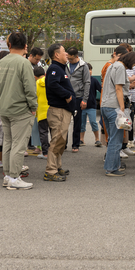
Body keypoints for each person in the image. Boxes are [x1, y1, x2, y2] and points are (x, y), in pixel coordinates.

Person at [0, 32, 38, 190]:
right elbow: (29, 88)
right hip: (20, 109)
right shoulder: (24, 63)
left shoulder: (1, 62)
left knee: (8, 142)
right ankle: (14, 177)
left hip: (5, 107)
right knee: (19, 145)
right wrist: (33, 107)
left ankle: (8, 176)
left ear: (10, 44)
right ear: (26, 46)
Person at [44, 43, 76, 181]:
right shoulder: (55, 69)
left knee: (61, 141)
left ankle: (57, 167)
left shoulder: (60, 68)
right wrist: (67, 95)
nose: (67, 54)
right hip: (58, 111)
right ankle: (50, 171)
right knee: (57, 140)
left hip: (63, 111)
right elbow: (52, 84)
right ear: (56, 55)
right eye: (64, 52)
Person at [101, 46, 131, 176]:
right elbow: (119, 88)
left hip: (105, 105)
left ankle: (114, 165)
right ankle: (111, 168)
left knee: (113, 138)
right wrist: (122, 107)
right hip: (114, 106)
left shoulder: (111, 65)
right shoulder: (119, 67)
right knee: (116, 139)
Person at [67, 47, 90, 152]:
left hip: (78, 97)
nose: (69, 60)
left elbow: (87, 82)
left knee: (77, 122)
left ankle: (75, 144)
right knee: (64, 122)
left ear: (77, 56)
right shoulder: (65, 65)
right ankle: (63, 144)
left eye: (71, 59)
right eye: (68, 58)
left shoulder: (83, 66)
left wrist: (85, 99)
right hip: (67, 97)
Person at [81, 64, 102, 148]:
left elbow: (101, 90)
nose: (89, 71)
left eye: (90, 69)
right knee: (81, 124)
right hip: (81, 106)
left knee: (93, 122)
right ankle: (81, 139)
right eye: (88, 69)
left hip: (92, 106)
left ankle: (97, 139)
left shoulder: (94, 80)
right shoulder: (80, 80)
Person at [34, 66, 50, 158]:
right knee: (53, 132)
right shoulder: (50, 82)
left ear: (35, 76)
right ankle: (54, 152)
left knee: (43, 132)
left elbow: (34, 98)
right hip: (52, 110)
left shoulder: (36, 84)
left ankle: (45, 153)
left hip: (41, 112)